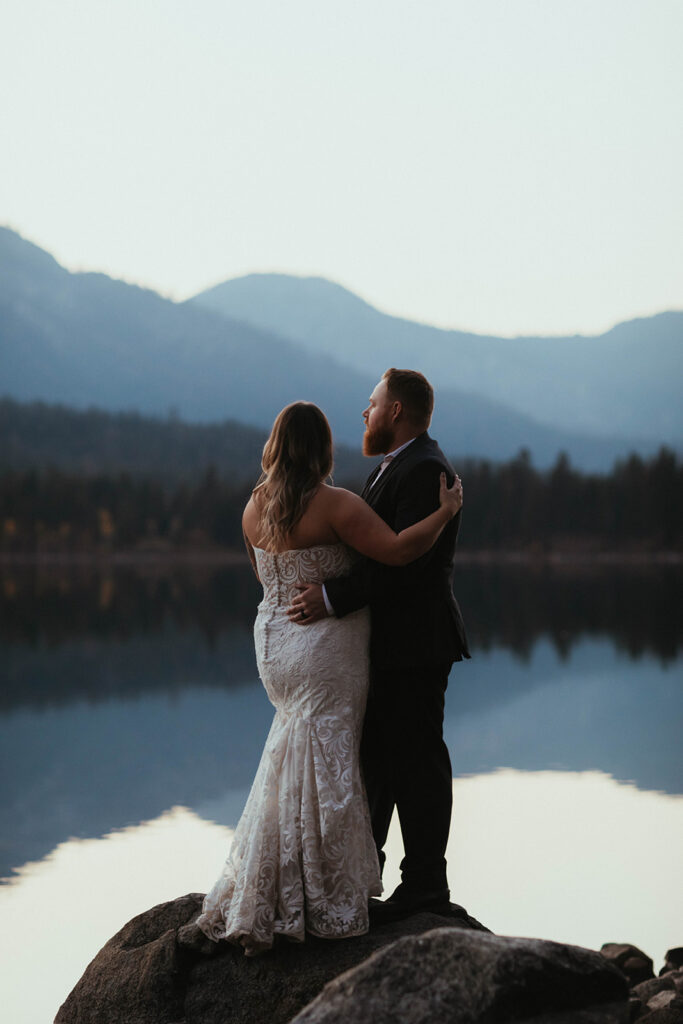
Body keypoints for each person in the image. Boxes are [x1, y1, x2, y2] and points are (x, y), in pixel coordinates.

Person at [186, 401, 462, 956]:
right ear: (322, 448)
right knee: (330, 763)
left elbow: (269, 578)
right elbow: (399, 550)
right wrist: (444, 513)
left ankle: (275, 882)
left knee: (291, 755)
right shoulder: (333, 504)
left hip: (276, 644)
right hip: (324, 649)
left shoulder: (253, 507)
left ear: (274, 445)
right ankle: (320, 893)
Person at [287, 369, 470, 921]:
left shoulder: (424, 470)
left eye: (372, 404)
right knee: (382, 763)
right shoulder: (395, 468)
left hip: (416, 643)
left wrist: (332, 596)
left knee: (417, 762)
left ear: (396, 412)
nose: (363, 413)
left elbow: (404, 565)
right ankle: (366, 877)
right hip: (390, 646)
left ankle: (425, 887)